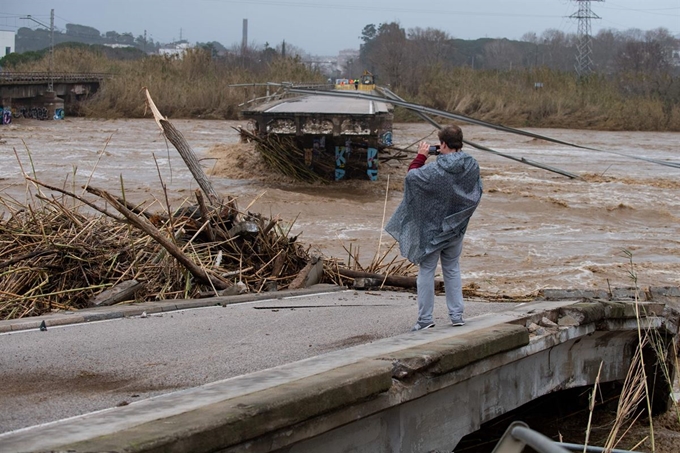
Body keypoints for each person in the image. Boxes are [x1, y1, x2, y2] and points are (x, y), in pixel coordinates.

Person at [385, 125, 482, 331]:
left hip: (431, 230)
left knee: (427, 271)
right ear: (460, 143)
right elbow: (476, 191)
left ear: (443, 144)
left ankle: (425, 319)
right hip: (455, 228)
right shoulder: (471, 165)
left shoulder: (434, 171)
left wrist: (421, 157)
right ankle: (457, 316)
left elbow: (411, 178)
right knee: (452, 269)